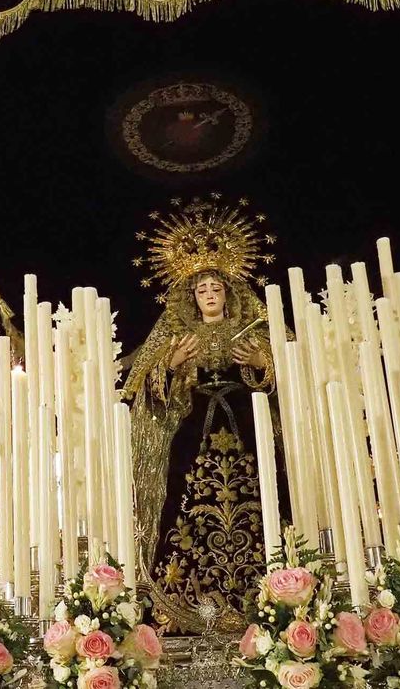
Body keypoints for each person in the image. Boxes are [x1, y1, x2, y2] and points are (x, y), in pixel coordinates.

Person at [122, 197, 288, 634]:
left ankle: (272, 593)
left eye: (216, 288)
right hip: (194, 429)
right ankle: (183, 599)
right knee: (186, 496)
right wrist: (171, 365)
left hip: (246, 425)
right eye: (202, 290)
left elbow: (289, 371)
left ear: (228, 292)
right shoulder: (176, 332)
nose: (210, 295)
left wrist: (262, 362)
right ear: (191, 298)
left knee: (265, 495)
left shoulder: (252, 328)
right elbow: (142, 385)